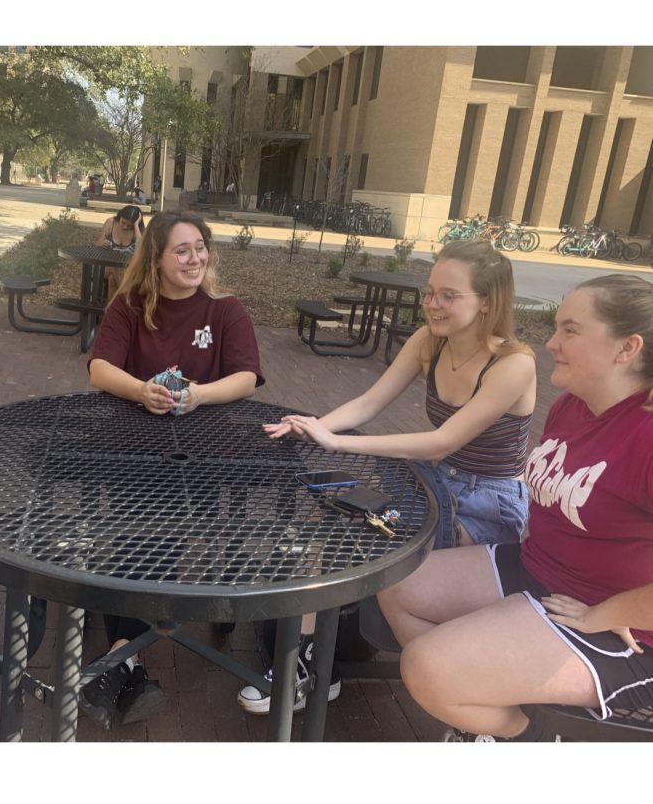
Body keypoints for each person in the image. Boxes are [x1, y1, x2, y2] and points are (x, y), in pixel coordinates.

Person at [239, 240, 536, 715]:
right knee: (338, 526)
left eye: (448, 295)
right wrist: (316, 425)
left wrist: (339, 442)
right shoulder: (429, 341)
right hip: (433, 482)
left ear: (487, 302)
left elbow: (442, 442)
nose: (432, 304)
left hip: (487, 503)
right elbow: (370, 403)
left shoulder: (514, 364)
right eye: (429, 292)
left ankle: (458, 689)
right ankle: (317, 664)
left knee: (373, 539)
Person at [379, 272, 653, 741]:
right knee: (394, 581)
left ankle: (525, 739)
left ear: (626, 349)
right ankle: (477, 709)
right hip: (540, 571)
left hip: (617, 624)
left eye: (570, 330)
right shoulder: (571, 406)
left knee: (426, 668)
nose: (550, 343)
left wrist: (603, 615)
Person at [83, 210, 265, 727]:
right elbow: (100, 369)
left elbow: (247, 377)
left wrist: (198, 396)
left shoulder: (226, 310)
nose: (195, 258)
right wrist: (142, 390)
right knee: (134, 533)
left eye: (201, 247)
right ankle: (130, 656)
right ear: (157, 258)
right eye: (182, 250)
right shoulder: (130, 305)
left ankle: (120, 659)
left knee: (159, 535)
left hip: (207, 451)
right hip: (135, 445)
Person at [97, 205, 145, 297]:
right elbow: (99, 242)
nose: (125, 227)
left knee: (112, 280)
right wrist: (102, 243)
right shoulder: (111, 223)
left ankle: (111, 308)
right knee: (116, 269)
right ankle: (125, 299)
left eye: (129, 225)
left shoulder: (137, 230)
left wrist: (136, 226)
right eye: (123, 222)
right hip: (108, 266)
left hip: (128, 269)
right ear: (119, 216)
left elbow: (141, 249)